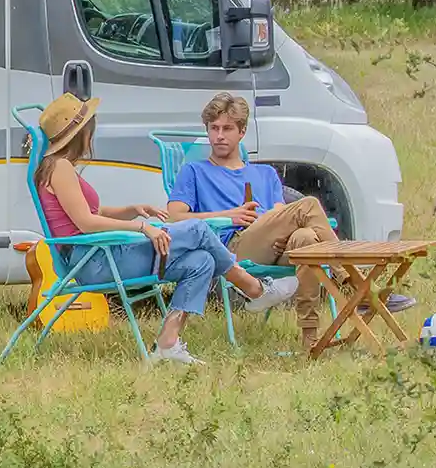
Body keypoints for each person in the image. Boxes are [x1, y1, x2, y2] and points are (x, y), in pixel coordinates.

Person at [32, 93, 298, 365]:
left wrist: (132, 208)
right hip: (94, 260)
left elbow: (91, 213)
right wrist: (141, 226)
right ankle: (252, 288)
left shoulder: (57, 167)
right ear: (81, 133)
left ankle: (168, 343)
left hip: (99, 254)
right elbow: (86, 224)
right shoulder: (61, 168)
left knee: (201, 261)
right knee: (196, 229)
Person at [163, 92, 415, 345]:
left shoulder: (265, 173)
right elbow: (175, 216)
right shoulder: (195, 171)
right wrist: (229, 215)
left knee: (305, 238)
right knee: (308, 205)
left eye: (227, 128)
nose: (219, 135)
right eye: (213, 128)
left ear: (241, 133)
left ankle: (310, 338)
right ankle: (354, 285)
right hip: (233, 247)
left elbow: (279, 213)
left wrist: (278, 232)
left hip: (273, 242)